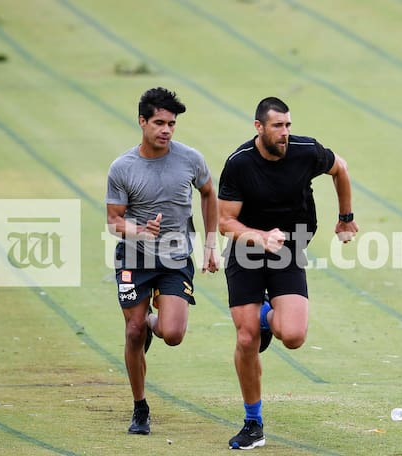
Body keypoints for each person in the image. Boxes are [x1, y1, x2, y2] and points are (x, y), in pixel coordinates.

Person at [218, 97, 358, 449]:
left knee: (293, 336)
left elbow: (340, 168)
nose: (285, 133)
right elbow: (225, 222)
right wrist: (260, 236)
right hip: (246, 250)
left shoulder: (306, 151)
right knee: (246, 338)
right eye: (278, 126)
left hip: (289, 246)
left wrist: (345, 218)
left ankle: (267, 316)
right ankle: (253, 423)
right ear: (259, 128)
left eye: (288, 125)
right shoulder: (239, 164)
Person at [106, 87, 219, 435]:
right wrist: (139, 231)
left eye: (171, 123)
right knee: (133, 330)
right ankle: (140, 407)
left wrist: (211, 244)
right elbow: (114, 221)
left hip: (175, 259)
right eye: (158, 122)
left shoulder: (190, 160)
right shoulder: (123, 167)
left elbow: (209, 193)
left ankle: (154, 317)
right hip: (134, 259)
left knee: (172, 334)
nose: (166, 130)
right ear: (142, 121)